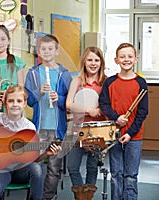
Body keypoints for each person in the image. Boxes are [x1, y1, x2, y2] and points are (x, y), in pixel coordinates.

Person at [0, 85, 61, 200]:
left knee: (37, 169)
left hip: (21, 171)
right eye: (11, 101)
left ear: (24, 103)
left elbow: (32, 158)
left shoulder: (29, 127)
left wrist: (46, 154)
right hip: (0, 168)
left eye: (19, 101)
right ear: (5, 103)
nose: (15, 104)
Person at [24, 34, 72, 200]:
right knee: (35, 165)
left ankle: (48, 197)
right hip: (39, 128)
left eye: (50, 49)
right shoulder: (33, 73)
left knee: (54, 167)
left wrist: (60, 99)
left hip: (57, 129)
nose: (47, 52)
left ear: (57, 51)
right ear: (38, 52)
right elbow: (29, 101)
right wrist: (39, 93)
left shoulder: (64, 74)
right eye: (43, 49)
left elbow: (70, 102)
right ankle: (35, 196)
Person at [99, 43, 148, 200]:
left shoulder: (141, 83)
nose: (126, 59)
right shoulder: (110, 82)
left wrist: (130, 132)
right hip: (115, 134)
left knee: (131, 175)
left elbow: (142, 112)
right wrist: (116, 118)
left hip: (134, 136)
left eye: (129, 56)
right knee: (116, 173)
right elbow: (104, 104)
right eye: (122, 56)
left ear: (136, 59)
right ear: (116, 60)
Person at [66, 46, 107, 200]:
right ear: (84, 61)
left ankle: (87, 197)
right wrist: (89, 110)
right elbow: (69, 104)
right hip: (77, 130)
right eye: (90, 59)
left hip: (98, 130)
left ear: (101, 62)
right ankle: (80, 196)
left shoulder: (105, 82)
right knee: (72, 166)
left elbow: (107, 107)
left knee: (92, 166)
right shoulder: (77, 81)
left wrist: (96, 109)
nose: (93, 63)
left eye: (96, 60)